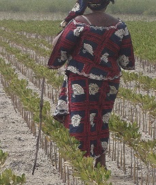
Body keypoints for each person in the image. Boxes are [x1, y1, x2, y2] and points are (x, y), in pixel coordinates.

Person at [48, 0, 135, 169]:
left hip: (81, 79)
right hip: (109, 82)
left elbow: (58, 51)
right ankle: (100, 160)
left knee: (78, 119)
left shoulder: (78, 23)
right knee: (101, 119)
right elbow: (126, 61)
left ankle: (79, 161)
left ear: (86, 3)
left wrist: (70, 17)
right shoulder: (120, 26)